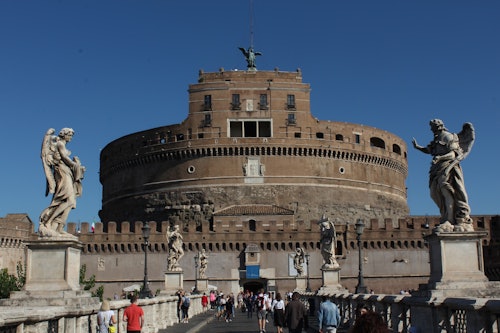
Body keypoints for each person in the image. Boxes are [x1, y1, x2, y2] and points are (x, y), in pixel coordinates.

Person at [412, 119, 475, 232]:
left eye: (432, 127)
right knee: (434, 193)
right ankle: (445, 215)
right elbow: (430, 150)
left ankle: (449, 219)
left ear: (438, 126)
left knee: (447, 192)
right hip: (437, 168)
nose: (431, 129)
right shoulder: (437, 138)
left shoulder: (448, 136)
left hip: (448, 167)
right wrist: (418, 147)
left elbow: (453, 154)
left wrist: (440, 158)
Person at [39, 128, 85, 237]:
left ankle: (59, 228)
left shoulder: (61, 144)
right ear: (64, 135)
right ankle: (49, 221)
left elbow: (67, 160)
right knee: (67, 198)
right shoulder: (59, 144)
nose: (71, 137)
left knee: (71, 202)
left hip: (66, 171)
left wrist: (77, 167)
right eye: (70, 135)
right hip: (62, 172)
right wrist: (75, 165)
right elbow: (64, 158)